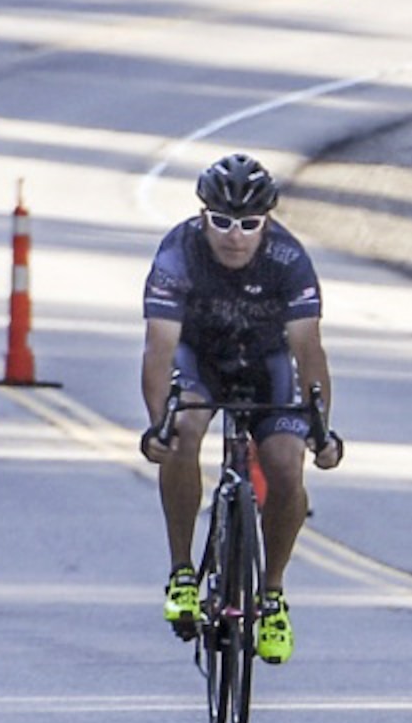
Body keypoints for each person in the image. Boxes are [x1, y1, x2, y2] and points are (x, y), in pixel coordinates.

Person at [139, 153, 344, 664]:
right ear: (202, 215)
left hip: (267, 362)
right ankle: (183, 572)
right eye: (222, 221)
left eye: (249, 224)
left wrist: (321, 430)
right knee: (183, 432)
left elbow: (309, 350)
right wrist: (156, 425)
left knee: (284, 465)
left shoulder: (289, 259)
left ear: (267, 222)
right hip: (200, 361)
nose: (235, 235)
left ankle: (272, 594)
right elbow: (159, 349)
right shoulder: (178, 253)